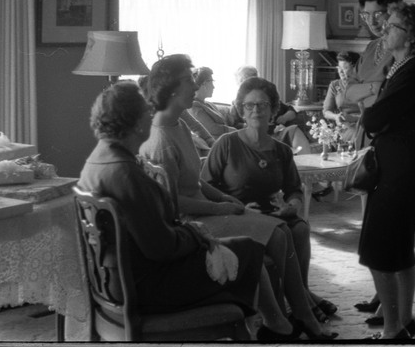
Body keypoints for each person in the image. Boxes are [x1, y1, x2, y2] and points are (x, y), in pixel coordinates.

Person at [139, 56, 336, 341]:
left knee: (284, 230)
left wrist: (225, 200)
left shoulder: (177, 125)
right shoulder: (161, 140)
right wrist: (220, 207)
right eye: (188, 80)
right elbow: (173, 204)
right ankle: (290, 318)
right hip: (192, 222)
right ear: (170, 88)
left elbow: (195, 182)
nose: (195, 85)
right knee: (278, 233)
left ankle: (292, 315)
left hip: (208, 211)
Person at [76, 81, 264, 321]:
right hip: (147, 288)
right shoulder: (126, 174)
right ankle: (240, 324)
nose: (151, 117)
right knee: (248, 249)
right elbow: (162, 248)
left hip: (114, 283)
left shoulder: (97, 160)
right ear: (135, 122)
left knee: (237, 247)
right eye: (147, 112)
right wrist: (195, 233)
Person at [202, 76, 339, 324]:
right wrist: (235, 207)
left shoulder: (281, 150)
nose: (256, 110)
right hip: (238, 215)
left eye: (262, 104)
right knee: (282, 233)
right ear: (241, 109)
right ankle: (303, 303)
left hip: (275, 214)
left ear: (273, 109)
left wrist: (292, 206)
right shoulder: (226, 144)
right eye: (249, 105)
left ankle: (303, 292)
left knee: (300, 228)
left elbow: (294, 189)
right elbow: (205, 186)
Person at [358, 1, 415, 339]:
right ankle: (403, 320)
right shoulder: (403, 67)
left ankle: (393, 332)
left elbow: (374, 118)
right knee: (401, 251)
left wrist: (370, 112)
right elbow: (381, 116)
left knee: (378, 253)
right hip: (404, 168)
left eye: (391, 26)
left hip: (400, 173)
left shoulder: (414, 70)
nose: (384, 30)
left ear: (410, 36)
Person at [348, 0, 404, 319]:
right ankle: (379, 292)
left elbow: (388, 95)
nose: (372, 21)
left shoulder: (403, 48)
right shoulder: (371, 48)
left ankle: (390, 304)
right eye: (366, 15)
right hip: (367, 138)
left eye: (379, 14)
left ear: (395, 8)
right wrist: (371, 88)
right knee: (371, 222)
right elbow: (346, 93)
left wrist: (366, 90)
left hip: (389, 141)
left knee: (388, 225)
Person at [227, 65, 312, 154]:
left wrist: (284, 118)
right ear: (239, 82)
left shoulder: (268, 98)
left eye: (254, 76)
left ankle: (305, 160)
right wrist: (250, 125)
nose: (251, 80)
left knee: (294, 129)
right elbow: (234, 125)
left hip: (277, 132)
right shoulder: (236, 104)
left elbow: (291, 111)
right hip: (255, 136)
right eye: (246, 78)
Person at [322, 50, 361, 144]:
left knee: (358, 133)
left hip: (362, 123)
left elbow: (372, 113)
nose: (340, 71)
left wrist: (353, 118)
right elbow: (326, 111)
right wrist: (336, 116)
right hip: (344, 125)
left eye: (345, 68)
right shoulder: (335, 85)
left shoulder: (365, 85)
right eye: (339, 68)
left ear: (355, 68)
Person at [188, 66, 236, 140]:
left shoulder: (209, 104)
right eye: (212, 82)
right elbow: (212, 128)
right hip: (216, 143)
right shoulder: (194, 106)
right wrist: (235, 131)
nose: (213, 87)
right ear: (204, 84)